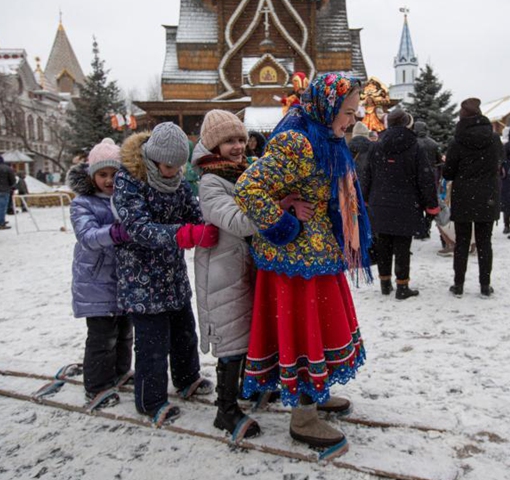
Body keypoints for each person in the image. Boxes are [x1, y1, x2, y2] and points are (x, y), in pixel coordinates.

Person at [235, 72, 371, 449]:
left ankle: (318, 389)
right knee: (308, 330)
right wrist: (284, 225)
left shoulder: (324, 134)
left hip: (319, 256)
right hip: (295, 265)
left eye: (354, 111)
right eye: (347, 111)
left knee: (321, 330)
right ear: (327, 106)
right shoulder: (298, 141)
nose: (352, 120)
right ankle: (304, 417)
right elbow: (248, 189)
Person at [112, 122, 217, 425]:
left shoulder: (179, 182)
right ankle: (150, 400)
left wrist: (208, 226)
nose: (173, 171)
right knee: (152, 342)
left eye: (178, 166)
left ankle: (187, 379)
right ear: (153, 159)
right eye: (168, 166)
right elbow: (137, 228)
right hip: (140, 278)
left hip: (172, 275)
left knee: (184, 331)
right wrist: (185, 236)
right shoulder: (129, 180)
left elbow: (193, 213)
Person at [191, 110, 262, 440]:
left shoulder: (244, 172)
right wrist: (279, 207)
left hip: (246, 266)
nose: (237, 146)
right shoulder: (210, 181)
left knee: (250, 333)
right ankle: (226, 409)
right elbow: (240, 222)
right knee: (232, 340)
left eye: (240, 139)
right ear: (212, 146)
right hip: (223, 272)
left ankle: (248, 388)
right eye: (229, 141)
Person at [68, 138, 133, 409]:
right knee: (101, 337)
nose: (109, 180)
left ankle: (119, 371)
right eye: (102, 174)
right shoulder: (83, 203)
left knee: (124, 331)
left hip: (124, 279)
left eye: (114, 174)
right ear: (92, 175)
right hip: (96, 282)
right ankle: (96, 386)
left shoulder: (127, 199)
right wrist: (115, 232)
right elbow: (87, 236)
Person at [361, 108, 438, 299]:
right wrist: (431, 204)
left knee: (383, 244)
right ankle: (402, 286)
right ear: (406, 123)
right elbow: (425, 178)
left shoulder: (377, 146)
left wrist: (364, 198)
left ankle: (385, 283)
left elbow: (366, 175)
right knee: (403, 246)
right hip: (407, 203)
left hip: (380, 203)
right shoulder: (415, 147)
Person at [443, 98, 503, 297]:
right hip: (488, 195)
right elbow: (499, 164)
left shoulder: (457, 141)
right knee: (485, 242)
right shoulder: (494, 139)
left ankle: (458, 284)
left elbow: (448, 173)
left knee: (462, 242)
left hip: (464, 196)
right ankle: (485, 285)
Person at [413, 121, 443, 240]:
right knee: (431, 203)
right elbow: (439, 162)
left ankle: (420, 229)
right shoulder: (433, 144)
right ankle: (427, 226)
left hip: (416, 177)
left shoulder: (413, 144)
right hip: (431, 176)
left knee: (418, 204)